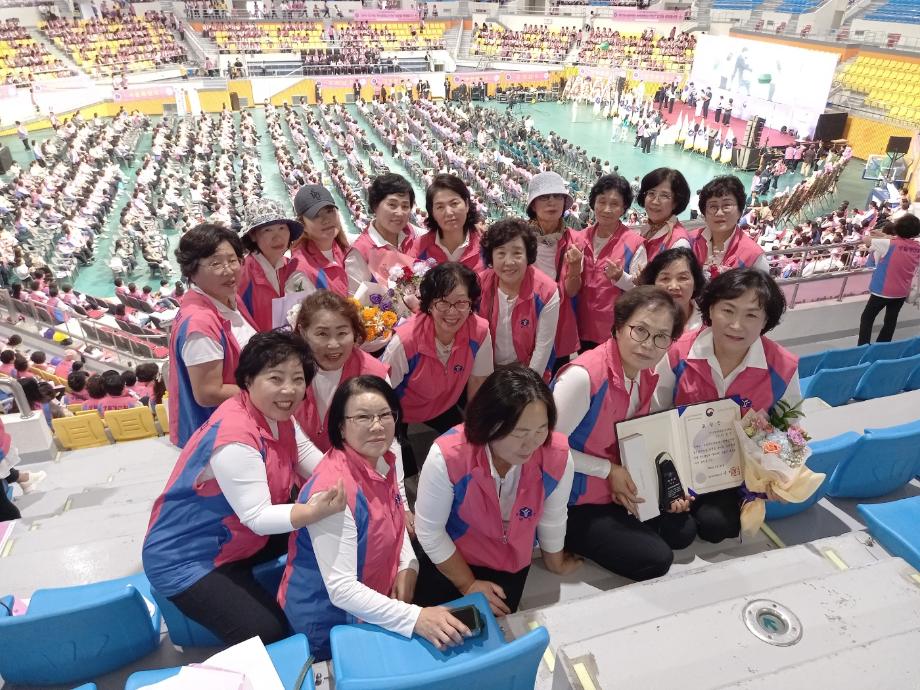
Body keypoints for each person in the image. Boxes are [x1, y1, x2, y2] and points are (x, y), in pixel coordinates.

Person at [143, 331, 347, 645]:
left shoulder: (277, 415)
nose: (288, 390)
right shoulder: (236, 436)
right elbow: (258, 516)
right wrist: (313, 510)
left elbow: (307, 457)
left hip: (239, 538)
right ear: (248, 380)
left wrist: (350, 483)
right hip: (188, 558)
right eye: (275, 378)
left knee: (335, 526)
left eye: (297, 379)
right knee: (269, 632)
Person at [279, 375, 471, 660]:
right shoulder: (332, 491)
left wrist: (409, 564)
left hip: (375, 604)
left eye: (385, 415)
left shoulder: (382, 460)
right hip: (328, 623)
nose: (377, 426)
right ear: (341, 427)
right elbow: (341, 589)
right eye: (362, 418)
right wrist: (416, 618)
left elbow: (396, 515)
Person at [552, 287, 696, 581]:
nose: (647, 345)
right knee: (657, 559)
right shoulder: (583, 378)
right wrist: (608, 471)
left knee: (682, 532)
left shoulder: (645, 375)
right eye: (639, 330)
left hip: (616, 487)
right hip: (573, 499)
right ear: (618, 326)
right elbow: (544, 448)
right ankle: (563, 537)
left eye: (660, 337)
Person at [413, 366, 580, 615]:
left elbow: (553, 517)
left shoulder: (557, 456)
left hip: (509, 561)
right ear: (489, 423)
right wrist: (467, 583)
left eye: (540, 430)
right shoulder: (448, 456)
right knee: (431, 630)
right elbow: (429, 531)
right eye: (519, 432)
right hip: (450, 554)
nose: (531, 444)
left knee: (492, 629)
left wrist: (555, 562)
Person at [654, 269, 799, 543]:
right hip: (679, 463)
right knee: (677, 535)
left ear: (766, 320)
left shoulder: (782, 366)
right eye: (728, 310)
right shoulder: (677, 353)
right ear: (710, 308)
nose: (736, 325)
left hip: (734, 472)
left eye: (751, 315)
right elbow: (655, 414)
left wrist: (777, 472)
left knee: (717, 527)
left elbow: (790, 429)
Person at [168, 223, 258, 447]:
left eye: (232, 260)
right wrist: (267, 391)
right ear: (192, 272)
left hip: (242, 419)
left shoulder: (227, 298)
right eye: (215, 263)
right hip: (220, 436)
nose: (228, 270)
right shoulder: (200, 322)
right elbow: (208, 392)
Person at [383, 262, 493, 438]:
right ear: (429, 305)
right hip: (401, 409)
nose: (452, 312)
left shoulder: (479, 332)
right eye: (443, 302)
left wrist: (475, 429)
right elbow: (381, 393)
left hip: (444, 405)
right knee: (402, 459)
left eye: (461, 302)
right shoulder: (405, 342)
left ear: (471, 303)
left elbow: (478, 382)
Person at [478, 219, 560, 381]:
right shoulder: (479, 285)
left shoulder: (547, 292)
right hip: (486, 368)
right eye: (501, 253)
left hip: (527, 370)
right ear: (491, 257)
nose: (509, 262)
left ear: (528, 255)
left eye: (517, 253)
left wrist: (527, 385)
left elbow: (542, 349)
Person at [576, 174, 646, 350]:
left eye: (614, 204)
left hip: (613, 330)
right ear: (593, 203)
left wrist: (621, 277)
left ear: (624, 208)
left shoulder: (634, 243)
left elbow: (643, 291)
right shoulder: (580, 238)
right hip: (580, 324)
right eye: (601, 202)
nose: (606, 209)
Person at [525, 171, 582, 369]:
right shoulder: (518, 237)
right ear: (533, 204)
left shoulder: (576, 240)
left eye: (558, 197)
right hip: (524, 315)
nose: (552, 202)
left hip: (558, 320)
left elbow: (572, 291)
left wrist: (575, 267)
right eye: (544, 197)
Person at [237, 198, 305, 332]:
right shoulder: (242, 275)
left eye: (282, 228)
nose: (278, 237)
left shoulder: (292, 267)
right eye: (268, 230)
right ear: (253, 235)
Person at [345, 173, 419, 294]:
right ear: (375, 206)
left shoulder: (411, 232)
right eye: (392, 205)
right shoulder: (360, 253)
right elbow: (354, 304)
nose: (400, 213)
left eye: (405, 206)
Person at [858, 213, 920, 345]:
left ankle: (863, 347)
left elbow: (866, 239)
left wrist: (877, 234)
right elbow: (902, 242)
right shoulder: (917, 247)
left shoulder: (889, 244)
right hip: (901, 292)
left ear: (897, 228)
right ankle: (883, 345)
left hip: (881, 291)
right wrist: (887, 236)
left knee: (867, 318)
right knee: (891, 321)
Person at [690, 176, 768, 278]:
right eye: (713, 206)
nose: (719, 213)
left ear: (740, 211)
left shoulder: (754, 257)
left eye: (726, 206)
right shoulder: (690, 241)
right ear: (704, 212)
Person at [410, 174, 483, 270]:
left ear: (467, 204)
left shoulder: (486, 245)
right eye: (440, 207)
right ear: (432, 212)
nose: (448, 213)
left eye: (454, 203)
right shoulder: (419, 248)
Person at [290, 183, 350, 297]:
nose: (326, 220)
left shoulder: (347, 250)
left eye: (329, 211)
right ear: (303, 225)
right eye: (316, 215)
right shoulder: (300, 271)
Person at [638, 247, 706, 333]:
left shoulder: (709, 323)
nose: (674, 286)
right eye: (665, 278)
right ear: (653, 284)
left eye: (683, 278)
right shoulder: (640, 322)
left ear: (695, 282)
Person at [636, 168, 692, 259]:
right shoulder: (647, 229)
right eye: (651, 193)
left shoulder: (679, 244)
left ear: (676, 202)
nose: (655, 201)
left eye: (664, 195)